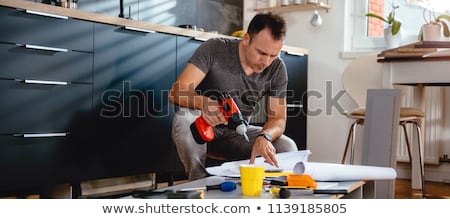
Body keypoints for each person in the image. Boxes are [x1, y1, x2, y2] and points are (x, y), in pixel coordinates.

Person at [168, 12, 298, 180]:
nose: (266, 62)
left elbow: (278, 118)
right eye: (262, 53)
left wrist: (265, 136)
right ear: (246, 39)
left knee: (287, 147)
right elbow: (177, 91)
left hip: (237, 135)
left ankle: (261, 189)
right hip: (203, 130)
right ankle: (198, 182)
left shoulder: (277, 68)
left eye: (273, 55)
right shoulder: (215, 48)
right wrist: (204, 103)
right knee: (184, 119)